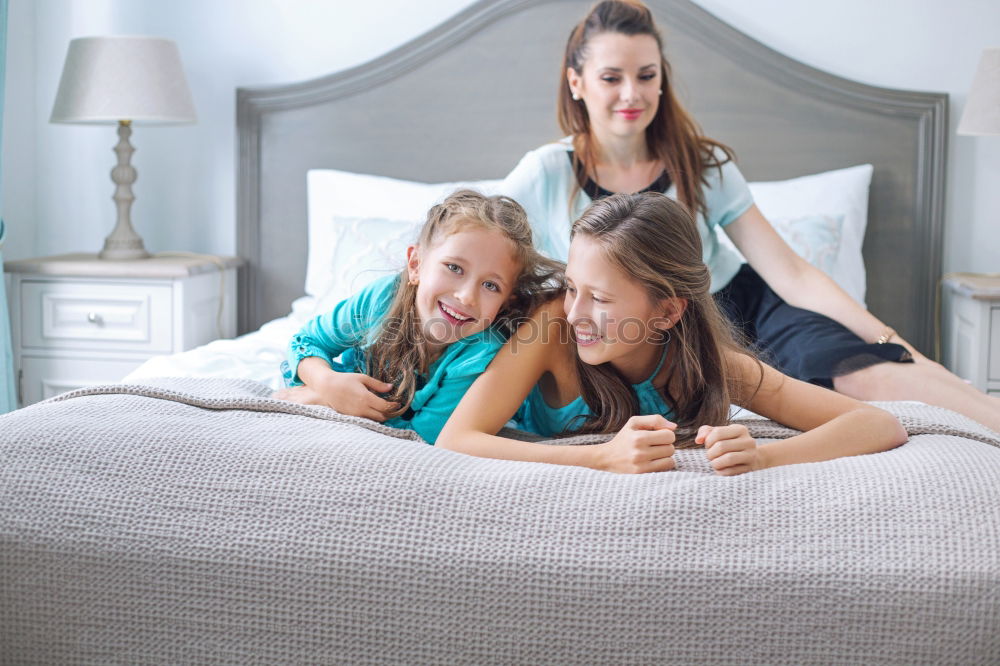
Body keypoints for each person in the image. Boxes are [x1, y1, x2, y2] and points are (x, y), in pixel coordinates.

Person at [498, 0, 1000, 432]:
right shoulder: (545, 173)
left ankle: (983, 410)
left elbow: (794, 273)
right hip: (635, 328)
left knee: (869, 373)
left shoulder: (702, 164)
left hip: (739, 307)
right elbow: (473, 250)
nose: (632, 93)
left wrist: (892, 340)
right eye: (612, 77)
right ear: (577, 82)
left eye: (647, 76)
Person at [437, 192, 908, 474]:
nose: (575, 312)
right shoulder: (551, 327)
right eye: (573, 288)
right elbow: (457, 438)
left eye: (600, 299)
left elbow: (877, 423)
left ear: (666, 312)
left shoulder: (706, 367)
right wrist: (604, 458)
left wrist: (766, 459)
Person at [274, 189, 562, 444]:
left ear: (504, 301)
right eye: (454, 268)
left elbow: (423, 437)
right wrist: (327, 382)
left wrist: (328, 401)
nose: (466, 296)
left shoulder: (480, 353)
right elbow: (307, 340)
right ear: (416, 264)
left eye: (490, 285)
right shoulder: (381, 299)